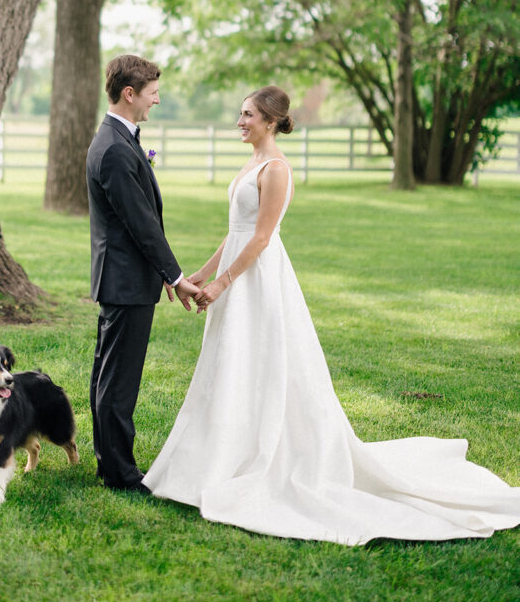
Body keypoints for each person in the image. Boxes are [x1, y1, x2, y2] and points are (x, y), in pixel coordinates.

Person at [144, 85, 520, 544]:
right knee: (229, 362)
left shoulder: (277, 168)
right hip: (237, 275)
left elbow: (261, 239)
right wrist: (203, 274)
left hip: (258, 282)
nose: (239, 122)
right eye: (240, 114)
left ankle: (264, 457)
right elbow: (236, 232)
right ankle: (217, 454)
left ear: (270, 120)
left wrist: (223, 283)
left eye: (247, 115)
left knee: (259, 360)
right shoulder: (251, 162)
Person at [86, 54, 199, 492]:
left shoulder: (119, 138)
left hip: (122, 278)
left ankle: (108, 462)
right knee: (118, 382)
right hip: (126, 280)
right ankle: (120, 473)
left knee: (108, 375)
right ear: (129, 94)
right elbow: (141, 224)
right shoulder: (114, 148)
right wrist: (175, 276)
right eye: (152, 92)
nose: (157, 99)